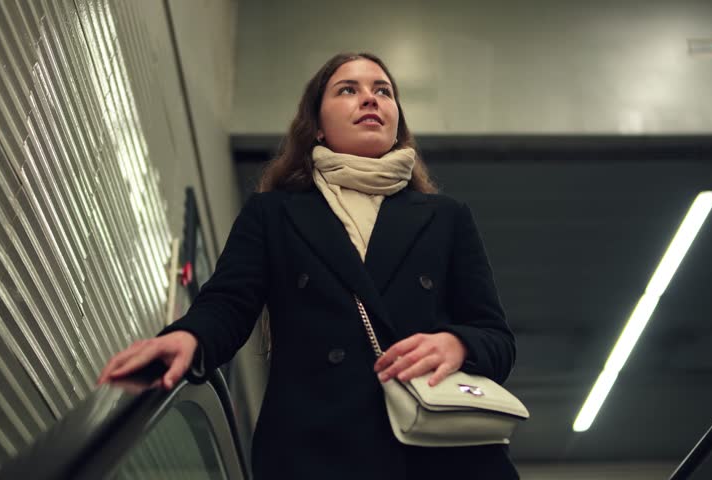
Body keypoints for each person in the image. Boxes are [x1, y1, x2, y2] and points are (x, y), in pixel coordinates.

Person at [98, 52, 519, 479]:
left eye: (383, 91)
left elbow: (496, 339)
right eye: (348, 90)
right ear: (316, 126)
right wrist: (189, 338)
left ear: (397, 123)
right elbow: (229, 301)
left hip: (442, 457)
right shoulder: (274, 213)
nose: (370, 99)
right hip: (314, 452)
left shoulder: (446, 216)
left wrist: (457, 344)